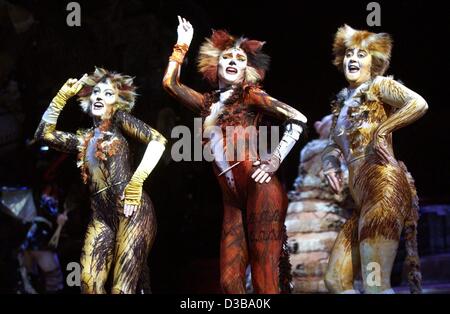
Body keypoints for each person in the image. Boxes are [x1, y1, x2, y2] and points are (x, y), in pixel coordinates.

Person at [163, 16, 307, 293]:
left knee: (266, 281)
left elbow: (298, 118)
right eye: (227, 57)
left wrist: (275, 159)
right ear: (215, 65)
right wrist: (181, 45)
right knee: (229, 283)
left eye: (240, 59)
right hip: (232, 201)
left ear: (246, 70)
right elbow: (170, 85)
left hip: (260, 190)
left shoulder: (249, 96)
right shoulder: (206, 104)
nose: (232, 61)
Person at [34, 67, 167, 293]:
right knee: (88, 283)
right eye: (96, 92)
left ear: (117, 103)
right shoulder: (82, 141)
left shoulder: (119, 120)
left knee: (122, 289)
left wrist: (136, 183)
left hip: (132, 209)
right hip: (101, 216)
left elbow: (158, 140)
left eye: (107, 93)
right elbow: (43, 135)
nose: (99, 96)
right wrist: (60, 98)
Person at [322, 25, 428, 294]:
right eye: (348, 54)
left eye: (361, 54)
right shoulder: (341, 103)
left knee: (374, 284)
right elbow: (334, 144)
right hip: (362, 200)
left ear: (375, 62)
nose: (353, 59)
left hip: (384, 188)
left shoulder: (380, 85)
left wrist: (384, 129)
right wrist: (330, 162)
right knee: (335, 280)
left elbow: (418, 104)